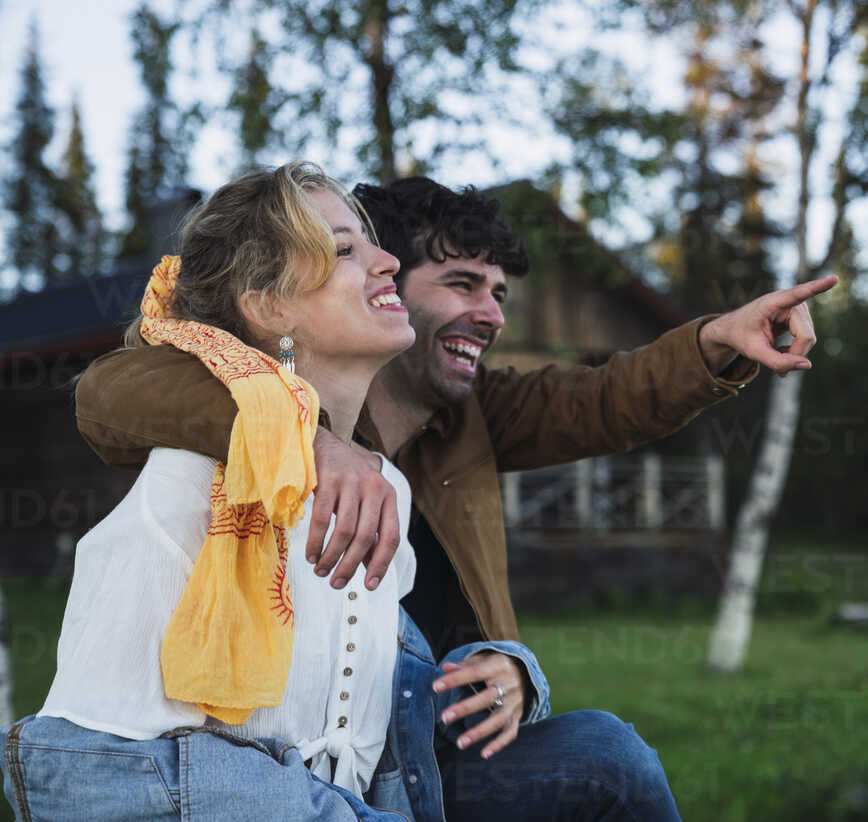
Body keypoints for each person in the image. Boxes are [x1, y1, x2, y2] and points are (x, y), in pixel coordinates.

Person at [73, 176, 837, 819]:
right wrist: (307, 438)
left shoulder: (474, 417)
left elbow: (609, 398)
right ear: (391, 283)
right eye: (463, 284)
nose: (494, 314)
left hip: (428, 738)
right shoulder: (261, 412)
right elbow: (115, 387)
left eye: (499, 292)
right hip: (287, 769)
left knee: (609, 756)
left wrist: (718, 340)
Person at [2, 163, 550, 822]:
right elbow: (88, 776)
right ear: (270, 308)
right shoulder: (195, 473)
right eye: (345, 249)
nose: (385, 263)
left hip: (332, 797)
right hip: (157, 793)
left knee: (604, 749)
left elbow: (380, 678)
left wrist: (509, 667)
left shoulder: (386, 489)